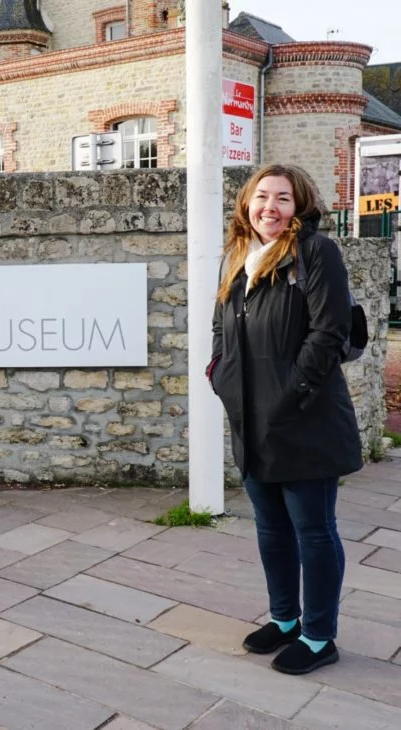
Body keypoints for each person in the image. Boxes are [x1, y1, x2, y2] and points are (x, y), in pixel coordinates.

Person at [208, 163, 363, 675]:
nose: (269, 208)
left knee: (313, 530)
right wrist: (220, 373)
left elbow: (328, 331)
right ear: (247, 203)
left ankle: (320, 636)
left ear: (299, 207)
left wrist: (291, 390)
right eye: (261, 197)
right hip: (250, 418)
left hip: (304, 417)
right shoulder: (237, 254)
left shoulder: (314, 252)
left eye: (282, 199)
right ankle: (284, 620)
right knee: (271, 528)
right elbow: (220, 326)